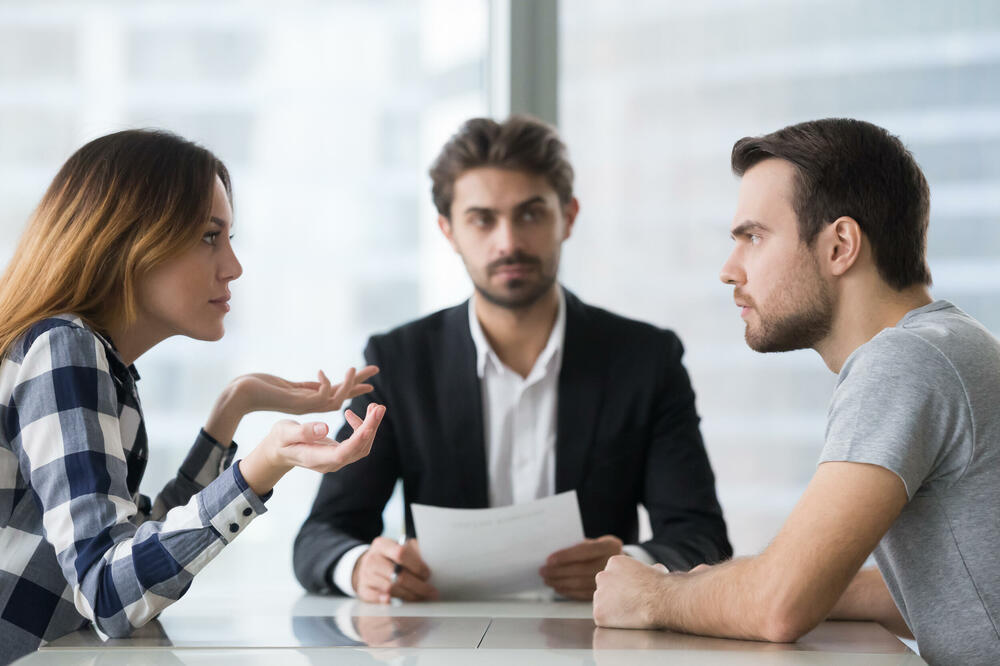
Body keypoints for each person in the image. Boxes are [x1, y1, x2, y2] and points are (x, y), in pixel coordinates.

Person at [592, 118, 1000, 665]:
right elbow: (957, 586)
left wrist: (651, 594)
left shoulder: (904, 362)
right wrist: (740, 584)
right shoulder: (954, 344)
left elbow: (778, 608)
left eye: (754, 237)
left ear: (839, 246)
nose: (728, 270)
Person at [293, 115, 731, 604]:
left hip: (596, 642)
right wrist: (361, 569)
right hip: (444, 645)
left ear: (568, 217)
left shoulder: (647, 360)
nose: (508, 242)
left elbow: (701, 537)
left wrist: (633, 566)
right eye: (483, 219)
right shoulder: (398, 362)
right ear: (448, 231)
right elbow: (321, 535)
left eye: (530, 214)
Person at [0, 129, 386, 663]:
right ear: (129, 238)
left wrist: (234, 407)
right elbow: (108, 592)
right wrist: (261, 467)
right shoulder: (64, 351)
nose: (233, 266)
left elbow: (127, 552)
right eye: (210, 236)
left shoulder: (88, 358)